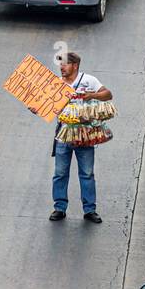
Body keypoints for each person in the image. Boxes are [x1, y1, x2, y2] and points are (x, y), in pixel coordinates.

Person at [49, 51, 111, 224]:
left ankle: (90, 210)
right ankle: (59, 208)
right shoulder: (57, 84)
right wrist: (37, 108)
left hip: (85, 134)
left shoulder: (88, 80)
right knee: (60, 173)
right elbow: (47, 105)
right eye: (60, 64)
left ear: (74, 66)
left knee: (87, 173)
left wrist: (92, 95)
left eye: (65, 64)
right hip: (63, 135)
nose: (61, 67)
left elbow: (108, 94)